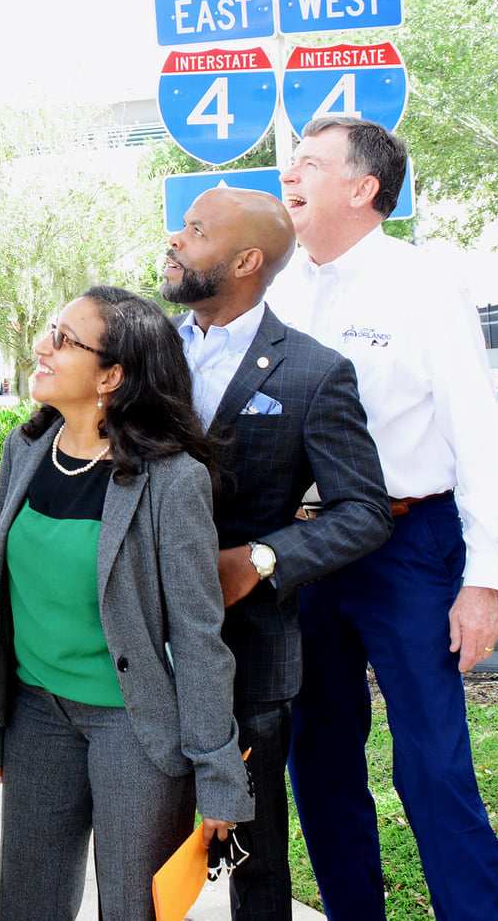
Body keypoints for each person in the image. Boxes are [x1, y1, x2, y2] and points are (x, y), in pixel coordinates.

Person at [268, 115, 498, 921]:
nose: (289, 175)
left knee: (433, 762)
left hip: (405, 541)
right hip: (300, 549)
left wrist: (482, 582)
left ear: (362, 187)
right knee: (320, 755)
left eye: (309, 163)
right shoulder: (275, 283)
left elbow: (479, 436)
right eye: (290, 162)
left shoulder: (423, 285)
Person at [0, 287, 252, 921]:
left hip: (133, 723)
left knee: (133, 909)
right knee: (28, 906)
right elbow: (1, 609)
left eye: (65, 339)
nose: (42, 346)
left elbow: (199, 634)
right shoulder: (25, 449)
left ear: (113, 375)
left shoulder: (173, 479)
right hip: (37, 713)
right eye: (50, 330)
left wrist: (219, 773)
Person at [160, 186, 393, 920]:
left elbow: (363, 511)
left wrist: (259, 559)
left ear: (245, 260)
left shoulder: (314, 372)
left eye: (194, 231)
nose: (174, 239)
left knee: (252, 851)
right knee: (138, 834)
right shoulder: (142, 350)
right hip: (132, 637)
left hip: (250, 646)